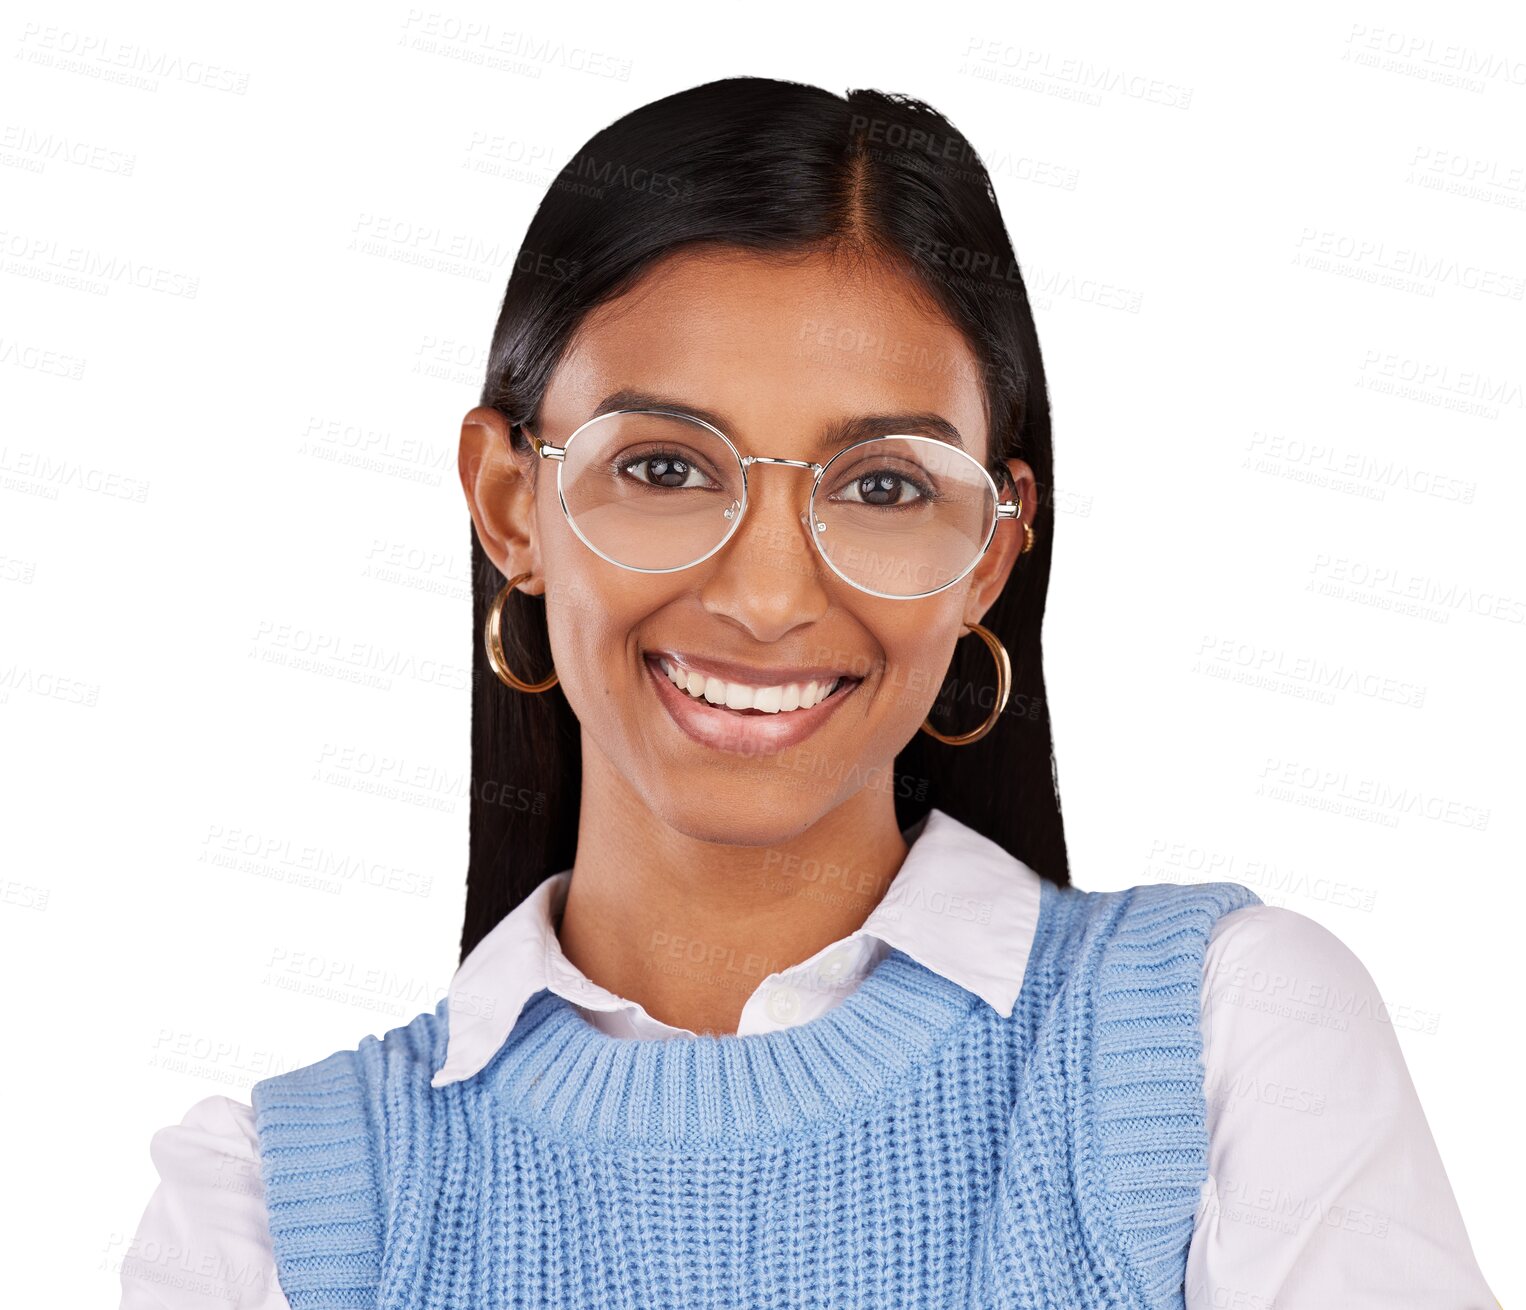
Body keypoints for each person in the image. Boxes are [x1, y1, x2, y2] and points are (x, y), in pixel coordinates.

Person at [119, 76, 1498, 1309]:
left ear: (989, 551)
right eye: (663, 466)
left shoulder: (1220, 1043)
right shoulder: (279, 1215)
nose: (768, 594)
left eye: (884, 485)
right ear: (508, 500)